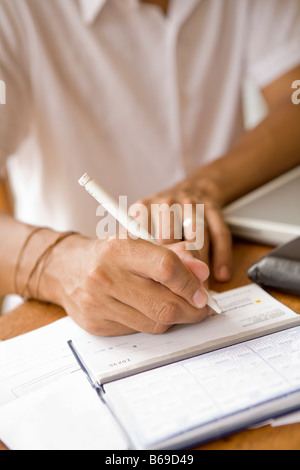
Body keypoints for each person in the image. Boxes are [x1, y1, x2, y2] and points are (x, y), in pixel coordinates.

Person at [0, 0, 299, 336]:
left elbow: (295, 95)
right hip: (57, 315)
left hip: (220, 266)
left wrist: (204, 187)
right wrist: (57, 265)